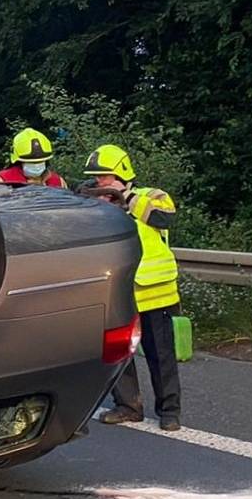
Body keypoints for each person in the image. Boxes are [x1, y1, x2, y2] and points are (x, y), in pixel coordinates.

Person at [81, 144, 184, 432]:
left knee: (161, 355)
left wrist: (124, 197)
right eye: (95, 178)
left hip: (156, 293)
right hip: (119, 292)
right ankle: (128, 405)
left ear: (121, 174)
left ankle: (170, 411)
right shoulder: (99, 203)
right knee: (119, 354)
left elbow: (163, 217)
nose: (98, 182)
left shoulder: (152, 196)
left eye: (103, 176)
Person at [0, 128, 69, 188]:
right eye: (31, 162)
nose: (36, 166)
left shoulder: (58, 182)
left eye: (40, 162)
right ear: (19, 162)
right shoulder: (0, 182)